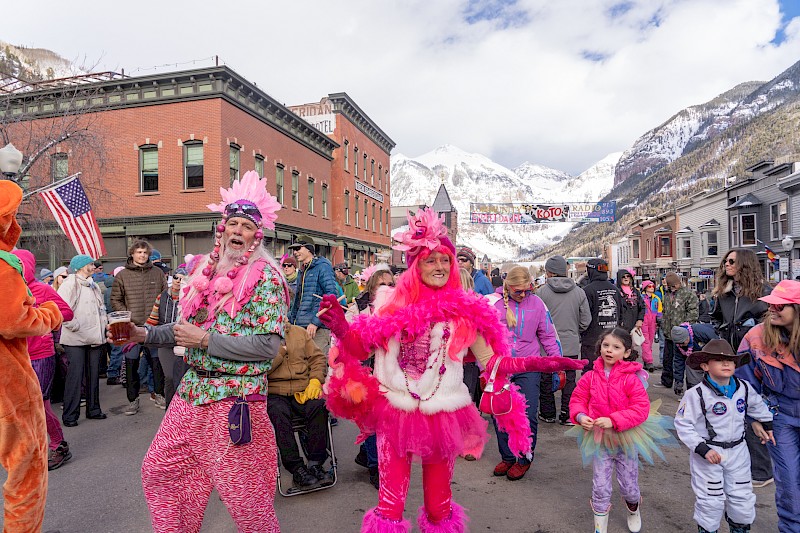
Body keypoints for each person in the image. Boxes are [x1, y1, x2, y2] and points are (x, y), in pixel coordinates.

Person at [318, 207, 585, 532]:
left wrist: (542, 362)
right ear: (416, 265)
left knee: (438, 506)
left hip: (441, 414)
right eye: (431, 260)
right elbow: (362, 348)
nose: (440, 266)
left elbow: (493, 362)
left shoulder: (465, 310)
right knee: (390, 505)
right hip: (394, 410)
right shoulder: (389, 303)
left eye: (445, 260)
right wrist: (341, 328)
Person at [120, 170, 288, 532]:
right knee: (161, 470)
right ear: (222, 228)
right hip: (191, 393)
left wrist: (206, 341)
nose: (238, 231)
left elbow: (267, 346)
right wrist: (142, 334)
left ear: (257, 234)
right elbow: (184, 329)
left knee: (247, 502)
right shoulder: (205, 273)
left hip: (235, 400)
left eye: (246, 226)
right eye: (233, 223)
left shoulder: (266, 277)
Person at [0, 180, 63, 531]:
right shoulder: (3, 267)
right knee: (27, 466)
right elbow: (14, 321)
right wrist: (49, 313)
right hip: (7, 382)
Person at [568, 328, 677, 533]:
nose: (609, 350)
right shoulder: (590, 377)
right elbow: (578, 400)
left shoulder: (631, 379)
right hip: (599, 439)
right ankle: (600, 526)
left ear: (626, 352)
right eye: (606, 345)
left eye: (616, 347)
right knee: (600, 485)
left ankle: (633, 507)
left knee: (629, 486)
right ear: (600, 347)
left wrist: (613, 420)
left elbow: (641, 408)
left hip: (626, 438)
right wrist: (581, 416)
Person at [674, 339, 774, 533]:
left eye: (730, 360)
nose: (726, 363)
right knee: (710, 499)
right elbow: (683, 423)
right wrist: (702, 449)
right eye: (719, 360)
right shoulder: (696, 394)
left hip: (738, 451)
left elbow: (758, 407)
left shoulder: (744, 388)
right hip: (709, 453)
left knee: (742, 497)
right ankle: (708, 529)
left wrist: (766, 423)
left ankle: (739, 528)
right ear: (705, 366)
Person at [736, 279, 800, 533]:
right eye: (771, 304)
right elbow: (744, 383)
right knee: (788, 482)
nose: (772, 309)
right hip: (779, 417)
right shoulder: (755, 337)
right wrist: (754, 418)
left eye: (780, 306)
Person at [711, 248, 773, 487]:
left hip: (755, 359)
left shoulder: (763, 292)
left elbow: (772, 322)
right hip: (729, 357)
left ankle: (762, 471)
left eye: (732, 261)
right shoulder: (724, 293)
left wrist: (752, 333)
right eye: (725, 261)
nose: (727, 265)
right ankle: (742, 465)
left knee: (753, 410)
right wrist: (718, 335)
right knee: (733, 410)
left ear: (745, 265)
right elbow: (715, 318)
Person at [13, 249, 74, 470]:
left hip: (40, 353)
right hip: (15, 355)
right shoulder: (6, 290)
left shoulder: (42, 289)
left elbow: (66, 313)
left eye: (18, 265)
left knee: (39, 403)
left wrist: (41, 317)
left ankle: (58, 445)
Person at [266, 324, 331, 490]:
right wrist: (281, 352)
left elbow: (318, 358)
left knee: (319, 405)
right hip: (275, 391)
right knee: (278, 413)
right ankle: (296, 468)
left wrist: (315, 380)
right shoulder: (259, 336)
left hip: (302, 389)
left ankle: (316, 462)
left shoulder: (299, 332)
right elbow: (260, 369)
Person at [347, 263, 394, 487]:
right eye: (381, 284)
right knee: (370, 421)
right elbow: (346, 340)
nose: (386, 288)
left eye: (390, 284)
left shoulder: (400, 308)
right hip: (365, 370)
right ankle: (375, 466)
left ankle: (368, 454)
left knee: (386, 422)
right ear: (372, 287)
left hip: (392, 373)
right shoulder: (358, 307)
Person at [111, 239, 168, 414]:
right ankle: (132, 400)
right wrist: (127, 317)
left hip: (153, 327)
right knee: (131, 365)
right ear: (132, 254)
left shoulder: (158, 273)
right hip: (132, 327)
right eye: (139, 252)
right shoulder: (122, 275)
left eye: (145, 252)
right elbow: (115, 299)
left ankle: (159, 394)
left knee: (157, 365)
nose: (142, 255)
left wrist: (159, 317)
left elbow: (165, 297)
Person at [536, 254, 591, 425]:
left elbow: (536, 319)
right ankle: (567, 414)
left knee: (546, 379)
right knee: (569, 380)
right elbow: (586, 320)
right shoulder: (579, 292)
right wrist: (574, 331)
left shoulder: (541, 292)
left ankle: (548, 413)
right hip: (570, 344)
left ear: (550, 272)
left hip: (547, 346)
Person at [57, 254, 108, 426]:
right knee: (75, 376)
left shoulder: (93, 285)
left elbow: (101, 308)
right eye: (90, 264)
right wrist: (74, 326)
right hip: (75, 338)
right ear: (80, 266)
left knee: (93, 375)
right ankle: (70, 415)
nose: (94, 266)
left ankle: (94, 409)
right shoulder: (70, 284)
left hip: (94, 337)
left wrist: (104, 326)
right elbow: (61, 308)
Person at [145, 265, 189, 407]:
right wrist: (143, 334)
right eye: (176, 277)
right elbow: (153, 319)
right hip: (165, 342)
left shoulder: (190, 298)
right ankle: (170, 409)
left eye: (182, 279)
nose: (178, 281)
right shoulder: (162, 296)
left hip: (184, 342)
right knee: (170, 377)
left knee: (183, 378)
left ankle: (182, 409)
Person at [288, 234, 339, 354]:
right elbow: (298, 301)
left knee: (317, 362)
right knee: (300, 363)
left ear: (309, 249)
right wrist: (290, 319)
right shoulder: (302, 270)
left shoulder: (323, 267)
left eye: (298, 248)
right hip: (301, 326)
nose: (295, 252)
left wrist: (316, 322)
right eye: (294, 249)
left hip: (318, 328)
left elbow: (331, 297)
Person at [659, 272, 699, 395]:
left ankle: (687, 385)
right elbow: (665, 311)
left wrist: (685, 329)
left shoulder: (688, 294)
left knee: (682, 361)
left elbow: (693, 312)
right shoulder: (667, 294)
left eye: (675, 285)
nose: (673, 287)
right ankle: (666, 381)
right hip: (668, 332)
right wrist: (663, 324)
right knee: (667, 358)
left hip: (682, 334)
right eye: (671, 286)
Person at [581, 258, 620, 364]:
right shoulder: (615, 290)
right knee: (611, 368)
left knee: (591, 369)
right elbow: (622, 312)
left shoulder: (587, 291)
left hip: (592, 340)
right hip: (612, 337)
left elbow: (584, 316)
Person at [670, 323, 718, 390]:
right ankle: (694, 390)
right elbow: (678, 362)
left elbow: (719, 343)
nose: (681, 345)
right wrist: (678, 382)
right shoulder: (678, 344)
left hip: (712, 354)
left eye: (682, 343)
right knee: (689, 365)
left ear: (687, 336)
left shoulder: (702, 332)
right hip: (695, 358)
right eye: (678, 344)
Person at [615, 268, 645, 339]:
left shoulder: (635, 291)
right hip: (621, 325)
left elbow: (642, 306)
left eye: (628, 276)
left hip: (634, 324)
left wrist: (640, 319)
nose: (626, 278)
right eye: (623, 276)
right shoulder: (616, 291)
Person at [640, 280, 662, 372]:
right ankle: (649, 361)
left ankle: (646, 360)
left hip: (653, 321)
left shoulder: (656, 298)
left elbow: (659, 310)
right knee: (645, 341)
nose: (652, 288)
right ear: (645, 288)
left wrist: (659, 319)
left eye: (653, 286)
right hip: (644, 320)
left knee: (650, 341)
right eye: (649, 286)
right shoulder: (641, 298)